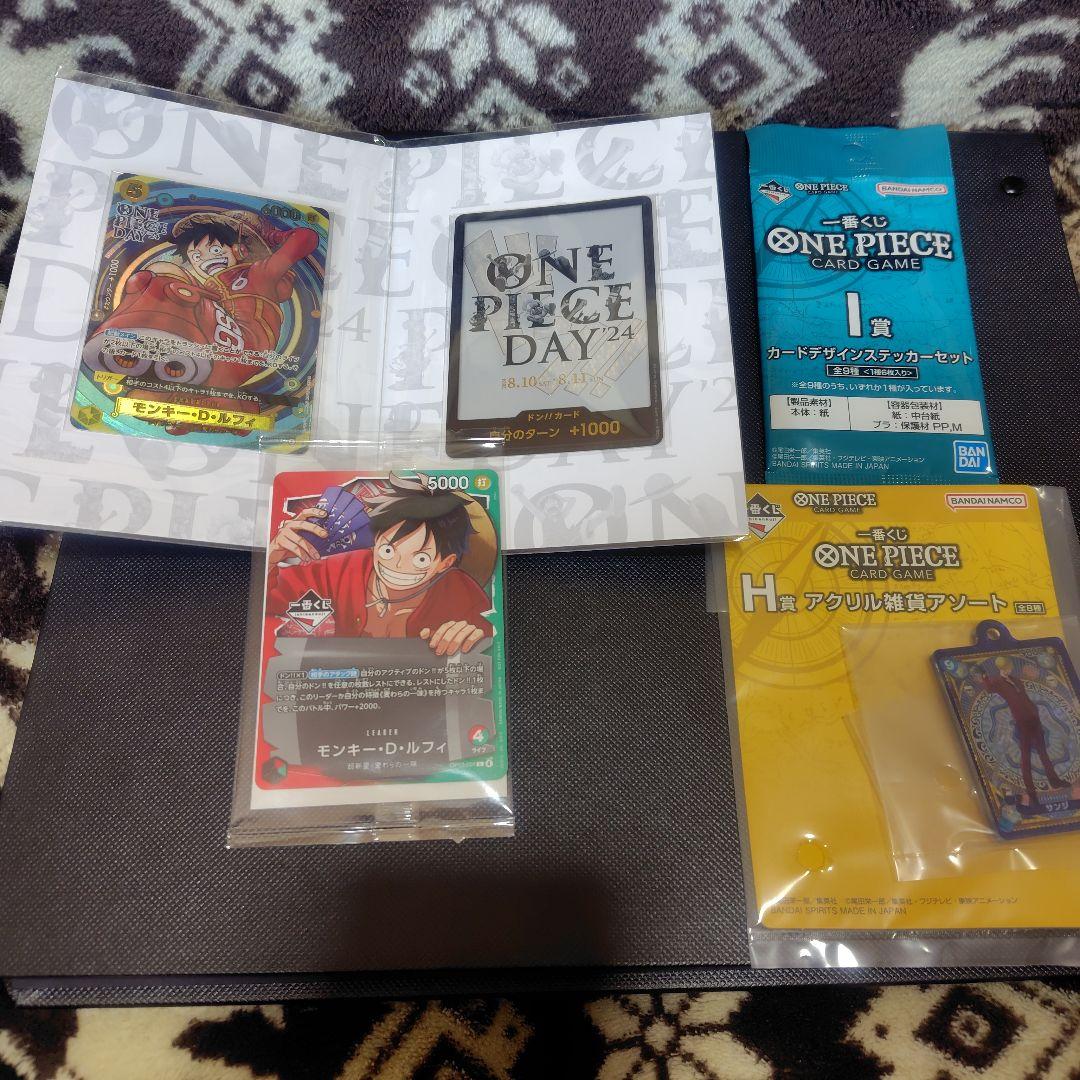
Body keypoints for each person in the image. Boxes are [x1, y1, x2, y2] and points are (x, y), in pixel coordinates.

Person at [83, 209, 318, 435]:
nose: (206, 258)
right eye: (196, 256)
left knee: (163, 273)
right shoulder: (211, 289)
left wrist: (272, 236)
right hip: (218, 358)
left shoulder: (259, 274)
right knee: (140, 398)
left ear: (239, 249)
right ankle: (219, 403)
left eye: (215, 249)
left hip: (242, 346)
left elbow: (306, 238)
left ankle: (132, 341)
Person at [267, 474, 494, 656]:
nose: (397, 565)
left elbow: (489, 638)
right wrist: (271, 557)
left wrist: (473, 637)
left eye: (421, 559)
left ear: (445, 563)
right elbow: (269, 601)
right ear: (375, 541)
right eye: (388, 550)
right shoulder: (341, 569)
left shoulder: (462, 595)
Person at [978, 667, 1068, 804]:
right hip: (1022, 722)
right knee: (1026, 757)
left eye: (1007, 667)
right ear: (1000, 670)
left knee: (1043, 753)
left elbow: (1024, 696)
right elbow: (989, 689)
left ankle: (1054, 781)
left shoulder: (1016, 680)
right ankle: (1031, 793)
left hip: (1034, 720)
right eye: (1003, 668)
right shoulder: (998, 682)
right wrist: (984, 677)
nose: (1006, 670)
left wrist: (1035, 710)